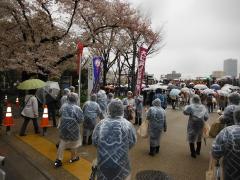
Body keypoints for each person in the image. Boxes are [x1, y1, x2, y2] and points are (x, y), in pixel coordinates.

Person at [92, 99, 137, 180]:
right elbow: (132, 142)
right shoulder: (128, 125)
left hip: (103, 161)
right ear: (121, 110)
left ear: (109, 109)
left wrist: (105, 148)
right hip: (122, 161)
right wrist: (122, 148)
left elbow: (95, 141)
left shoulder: (100, 124)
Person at [54, 93, 84, 167]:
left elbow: (59, 113)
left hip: (64, 128)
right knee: (74, 144)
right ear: (76, 99)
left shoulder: (64, 106)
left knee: (62, 143)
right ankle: (73, 158)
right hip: (74, 129)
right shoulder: (77, 109)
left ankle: (58, 160)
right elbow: (81, 120)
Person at [212, 107, 240, 180]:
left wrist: (217, 159)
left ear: (235, 116)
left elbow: (216, 151)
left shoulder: (227, 131)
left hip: (231, 169)